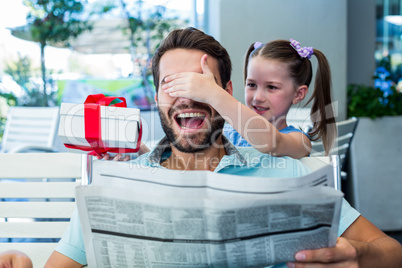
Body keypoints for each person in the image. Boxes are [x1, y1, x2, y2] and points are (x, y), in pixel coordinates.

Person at [45, 27, 402, 268]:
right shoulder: (113, 185)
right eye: (172, 84)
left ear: (226, 93)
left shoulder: (283, 169)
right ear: (156, 96)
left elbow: (391, 251)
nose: (189, 95)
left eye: (203, 84)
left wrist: (356, 254)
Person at [162, 38, 336, 159]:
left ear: (298, 94)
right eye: (252, 85)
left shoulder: (298, 141)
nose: (258, 97)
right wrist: (141, 151)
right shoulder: (226, 134)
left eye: (272, 87)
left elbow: (269, 143)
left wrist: (214, 94)